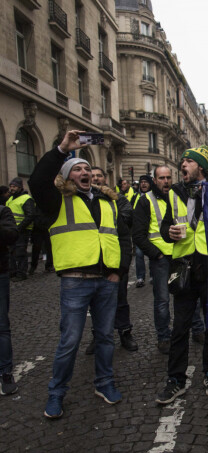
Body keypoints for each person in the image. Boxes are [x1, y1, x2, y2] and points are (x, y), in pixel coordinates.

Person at [29, 130, 131, 419]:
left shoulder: (107, 201)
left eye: (88, 168)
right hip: (75, 282)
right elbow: (37, 181)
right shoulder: (56, 201)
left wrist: (119, 272)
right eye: (78, 169)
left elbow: (123, 239)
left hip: (107, 282)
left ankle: (105, 383)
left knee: (105, 338)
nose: (85, 172)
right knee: (70, 341)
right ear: (67, 177)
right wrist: (63, 148)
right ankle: (56, 393)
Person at [156, 145, 208, 404]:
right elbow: (165, 226)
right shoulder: (174, 192)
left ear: (200, 167)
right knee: (180, 327)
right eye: (181, 161)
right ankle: (175, 380)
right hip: (184, 267)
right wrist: (167, 232)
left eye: (188, 161)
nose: (182, 165)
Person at [84, 166, 138, 354]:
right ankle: (97, 335)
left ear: (105, 179)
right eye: (93, 176)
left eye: (99, 176)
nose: (96, 179)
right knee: (95, 304)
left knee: (120, 300)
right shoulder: (83, 200)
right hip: (91, 261)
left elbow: (126, 218)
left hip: (114, 261)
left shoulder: (117, 199)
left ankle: (125, 333)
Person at [133, 166, 174, 354]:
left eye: (168, 177)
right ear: (154, 180)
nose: (166, 181)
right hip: (161, 259)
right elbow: (138, 235)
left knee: (188, 297)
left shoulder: (176, 197)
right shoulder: (145, 200)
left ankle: (196, 330)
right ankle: (164, 337)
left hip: (180, 255)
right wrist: (156, 254)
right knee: (162, 300)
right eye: (161, 178)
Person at [0, 204, 18, 395]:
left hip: (0, 273)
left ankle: (5, 372)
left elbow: (12, 235)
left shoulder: (3, 211)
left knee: (2, 326)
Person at [6, 178, 35, 281]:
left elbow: (30, 215)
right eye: (11, 186)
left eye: (14, 186)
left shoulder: (26, 198)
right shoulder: (10, 199)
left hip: (22, 230)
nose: (11, 188)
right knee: (11, 252)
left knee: (20, 252)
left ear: (20, 187)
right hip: (12, 230)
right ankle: (12, 271)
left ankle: (21, 273)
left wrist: (19, 227)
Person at [29, 203, 55, 274]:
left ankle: (48, 265)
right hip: (38, 227)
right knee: (37, 248)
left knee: (48, 247)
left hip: (45, 227)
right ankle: (34, 266)